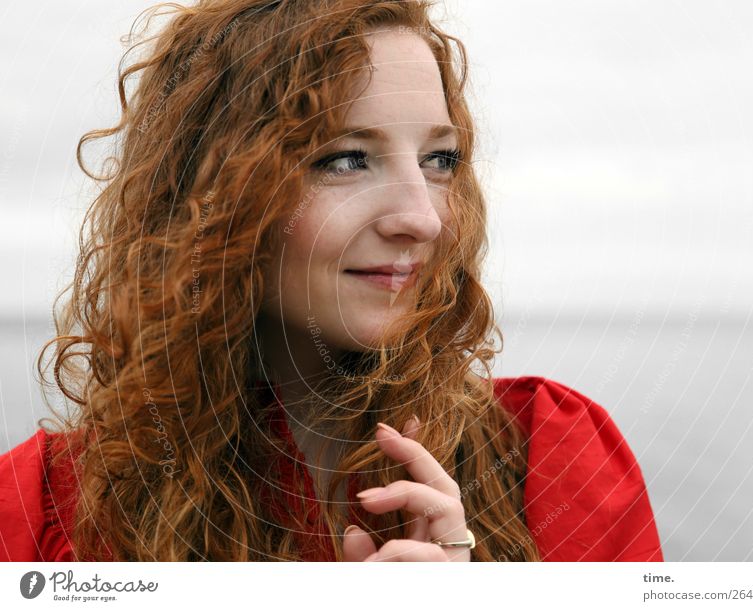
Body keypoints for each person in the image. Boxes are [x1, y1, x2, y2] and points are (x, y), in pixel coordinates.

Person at [0, 0, 663, 562]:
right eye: (345, 159)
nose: (423, 217)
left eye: (439, 158)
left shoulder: (554, 462)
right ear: (211, 194)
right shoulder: (38, 509)